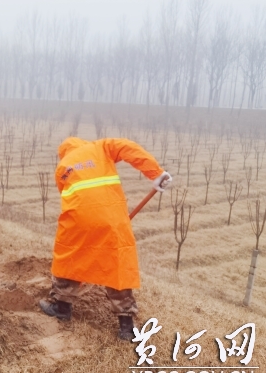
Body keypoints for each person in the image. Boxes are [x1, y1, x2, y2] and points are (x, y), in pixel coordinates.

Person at [39, 137, 172, 340]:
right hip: (112, 219)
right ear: (82, 144)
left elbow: (67, 195)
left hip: (80, 220)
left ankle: (62, 307)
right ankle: (126, 326)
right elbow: (129, 148)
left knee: (70, 257)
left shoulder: (63, 166)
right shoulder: (100, 147)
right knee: (117, 264)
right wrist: (156, 172)